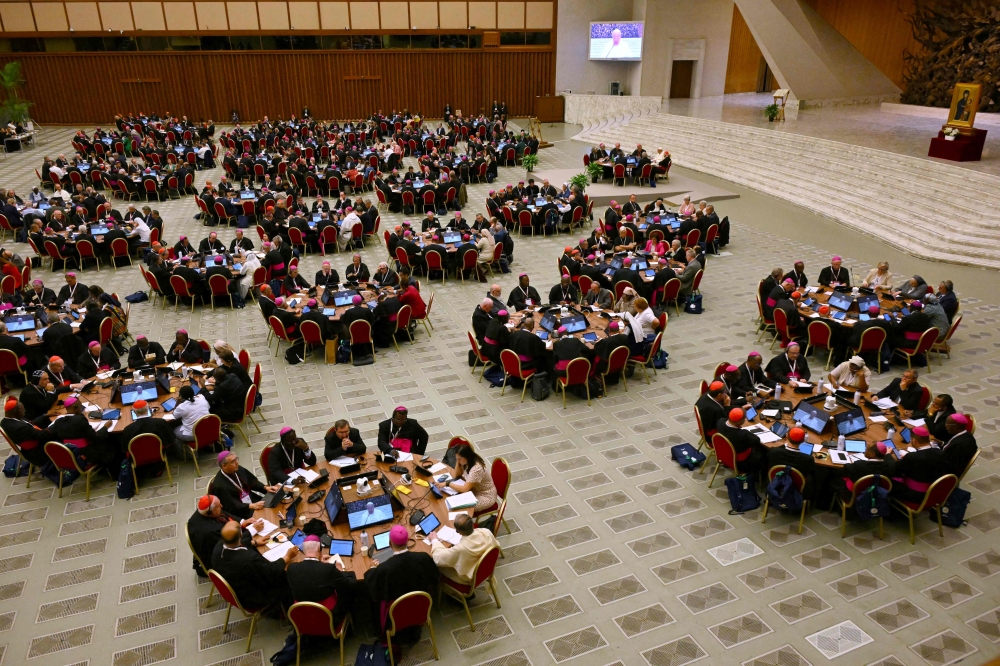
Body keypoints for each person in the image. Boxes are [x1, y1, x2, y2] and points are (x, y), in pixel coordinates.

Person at [363, 524, 439, 637]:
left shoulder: (384, 569)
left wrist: (372, 568)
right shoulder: (423, 557)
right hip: (421, 608)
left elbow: (373, 588)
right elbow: (435, 577)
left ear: (390, 544)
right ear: (408, 541)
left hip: (395, 615)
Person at [210, 520, 295, 610]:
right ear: (240, 535)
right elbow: (271, 571)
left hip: (236, 586)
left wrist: (254, 542)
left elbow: (234, 545)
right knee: (287, 577)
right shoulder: (249, 559)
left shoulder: (218, 546)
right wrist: (286, 557)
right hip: (254, 597)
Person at [187, 495, 265, 574]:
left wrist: (242, 522)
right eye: (218, 506)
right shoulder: (211, 531)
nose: (221, 506)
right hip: (220, 559)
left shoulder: (205, 511)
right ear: (210, 512)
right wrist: (253, 530)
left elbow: (225, 514)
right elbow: (230, 542)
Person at [286, 536, 356, 619]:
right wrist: (340, 570)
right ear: (319, 549)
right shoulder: (329, 569)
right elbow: (350, 584)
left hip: (302, 619)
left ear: (304, 551)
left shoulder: (291, 568)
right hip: (329, 618)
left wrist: (320, 563)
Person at [429, 513, 500, 584]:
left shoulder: (461, 549)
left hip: (469, 577)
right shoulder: (486, 531)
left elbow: (438, 558)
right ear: (472, 524)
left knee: (437, 567)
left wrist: (434, 540)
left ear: (458, 532)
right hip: (486, 568)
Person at [211, 451, 281, 520]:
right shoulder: (219, 485)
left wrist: (265, 488)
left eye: (236, 459)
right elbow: (231, 506)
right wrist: (250, 506)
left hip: (251, 499)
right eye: (233, 462)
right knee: (268, 517)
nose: (237, 463)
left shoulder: (237, 469)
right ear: (224, 466)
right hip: (240, 511)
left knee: (275, 503)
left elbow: (253, 482)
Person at [766, 427, 826, 501]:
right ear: (803, 441)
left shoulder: (773, 452)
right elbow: (810, 472)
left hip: (776, 483)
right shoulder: (807, 459)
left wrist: (784, 444)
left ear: (787, 436)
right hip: (797, 487)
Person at [434, 445, 497, 512]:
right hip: (472, 489)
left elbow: (464, 489)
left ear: (467, 457)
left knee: (459, 508)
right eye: (457, 459)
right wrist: (458, 462)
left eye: (460, 459)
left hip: (485, 495)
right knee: (449, 499)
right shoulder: (467, 461)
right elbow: (456, 475)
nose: (458, 461)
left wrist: (448, 484)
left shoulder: (477, 468)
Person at [1, 397, 54, 467]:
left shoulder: (6, 421)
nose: (25, 411)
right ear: (15, 412)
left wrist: (45, 415)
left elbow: (30, 423)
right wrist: (56, 424)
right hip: (38, 452)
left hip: (33, 440)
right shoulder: (20, 427)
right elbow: (41, 435)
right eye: (22, 410)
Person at [717, 408, 767, 479]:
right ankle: (760, 478)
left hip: (724, 454)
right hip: (741, 462)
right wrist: (745, 431)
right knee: (763, 453)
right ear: (738, 422)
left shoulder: (720, 422)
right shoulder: (742, 434)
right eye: (744, 419)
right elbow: (757, 440)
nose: (745, 420)